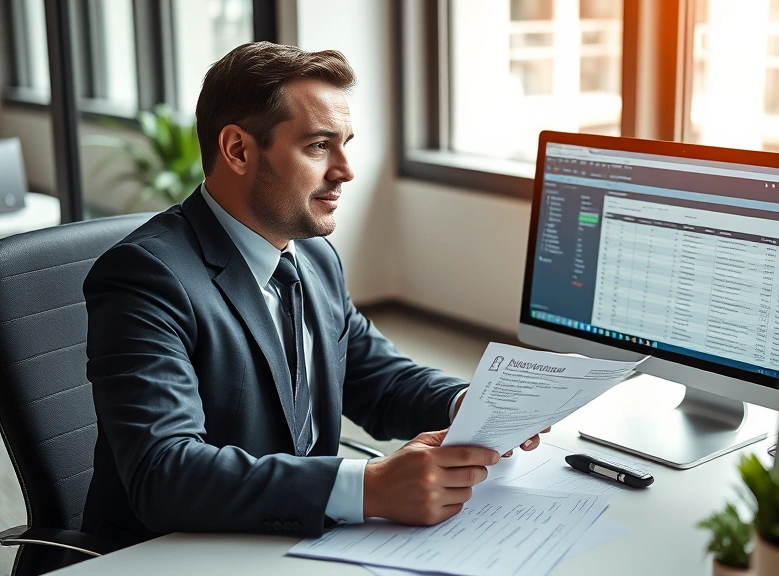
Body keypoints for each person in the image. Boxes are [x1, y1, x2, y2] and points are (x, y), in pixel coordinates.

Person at [81, 41, 546, 547]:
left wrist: (466, 403)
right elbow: (164, 472)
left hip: (300, 542)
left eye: (346, 143)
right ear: (237, 149)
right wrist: (367, 487)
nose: (346, 170)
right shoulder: (146, 276)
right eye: (319, 146)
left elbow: (375, 377)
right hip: (179, 553)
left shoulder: (312, 257)